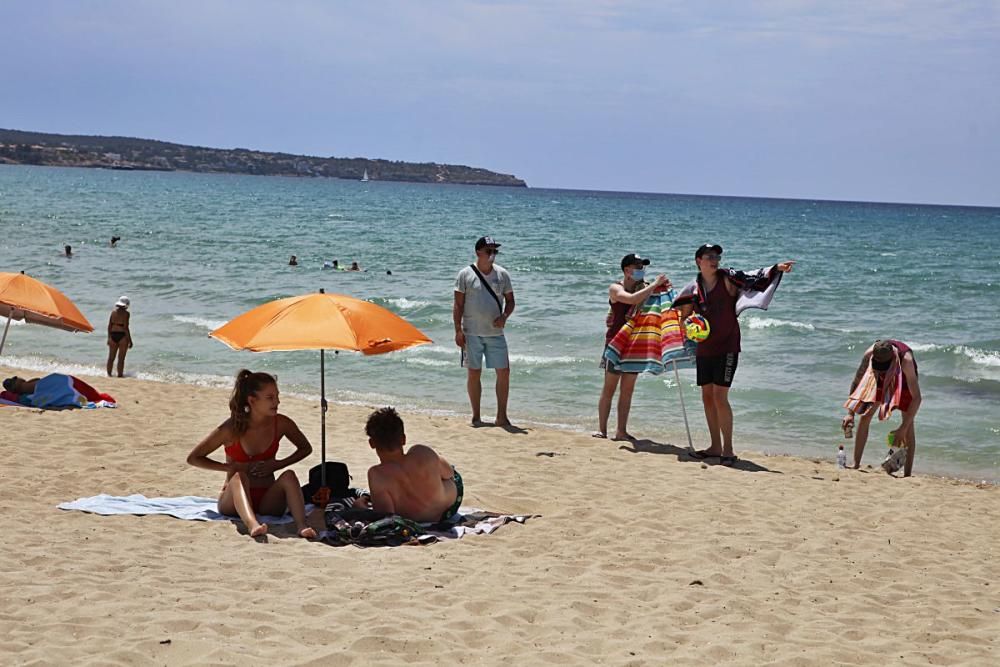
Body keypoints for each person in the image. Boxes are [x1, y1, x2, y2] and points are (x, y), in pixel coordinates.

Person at [674, 244, 795, 465]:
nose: (715, 260)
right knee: (707, 397)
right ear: (698, 261)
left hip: (727, 345)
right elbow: (683, 315)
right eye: (710, 256)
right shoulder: (693, 288)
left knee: (720, 397)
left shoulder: (728, 278)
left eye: (717, 256)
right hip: (705, 348)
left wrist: (776, 268)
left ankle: (728, 450)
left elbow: (753, 277)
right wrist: (688, 324)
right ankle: (714, 446)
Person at [187, 370, 316, 538]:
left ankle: (301, 526)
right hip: (233, 502)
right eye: (270, 398)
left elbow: (305, 448)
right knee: (240, 476)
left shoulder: (282, 423)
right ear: (252, 400)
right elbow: (194, 458)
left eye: (277, 396)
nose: (277, 402)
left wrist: (277, 464)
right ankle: (252, 524)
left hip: (268, 499)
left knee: (289, 475)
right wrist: (229, 467)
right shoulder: (231, 428)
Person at [594, 253, 670, 440]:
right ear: (627, 270)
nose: (641, 270)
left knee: (627, 390)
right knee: (609, 388)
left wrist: (663, 289)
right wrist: (654, 285)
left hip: (634, 343)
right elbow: (631, 299)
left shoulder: (643, 288)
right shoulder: (615, 288)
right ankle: (602, 430)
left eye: (642, 267)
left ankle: (621, 431)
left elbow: (656, 302)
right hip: (615, 343)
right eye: (637, 267)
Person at [453, 235, 516, 426]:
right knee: (474, 372)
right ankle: (476, 416)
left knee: (504, 371)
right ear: (478, 252)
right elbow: (458, 305)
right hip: (471, 332)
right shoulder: (465, 274)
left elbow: (511, 301)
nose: (492, 255)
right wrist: (458, 330)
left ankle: (501, 416)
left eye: (495, 251)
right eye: (489, 251)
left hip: (495, 333)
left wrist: (504, 317)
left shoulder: (502, 275)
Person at [365, 407, 463, 523]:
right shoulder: (421, 452)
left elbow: (385, 515)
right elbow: (449, 473)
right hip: (447, 510)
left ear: (372, 444)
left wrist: (361, 508)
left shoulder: (377, 475)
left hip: (414, 520)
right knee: (447, 471)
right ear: (403, 439)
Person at [842, 339, 921, 477]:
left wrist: (902, 428)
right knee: (866, 415)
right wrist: (850, 413)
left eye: (882, 366)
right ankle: (856, 463)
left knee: (908, 426)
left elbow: (917, 398)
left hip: (903, 380)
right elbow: (857, 380)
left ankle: (907, 474)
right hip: (879, 378)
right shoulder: (869, 354)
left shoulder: (906, 361)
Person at [106, 296, 133, 377]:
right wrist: (130, 341)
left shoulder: (113, 312)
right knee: (121, 359)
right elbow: (125, 328)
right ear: (126, 304)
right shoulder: (126, 314)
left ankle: (109, 375)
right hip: (122, 337)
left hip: (113, 335)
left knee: (111, 358)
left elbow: (109, 326)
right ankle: (120, 375)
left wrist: (109, 337)